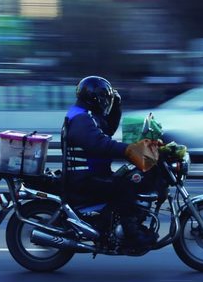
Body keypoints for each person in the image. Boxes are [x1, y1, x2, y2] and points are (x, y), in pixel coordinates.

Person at [62, 75, 156, 248]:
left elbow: (108, 129)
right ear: (94, 98)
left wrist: (116, 107)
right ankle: (131, 234)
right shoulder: (81, 119)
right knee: (125, 186)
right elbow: (99, 143)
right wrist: (128, 150)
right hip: (84, 178)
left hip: (92, 174)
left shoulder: (87, 114)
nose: (106, 103)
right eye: (104, 99)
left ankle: (120, 223)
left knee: (129, 178)